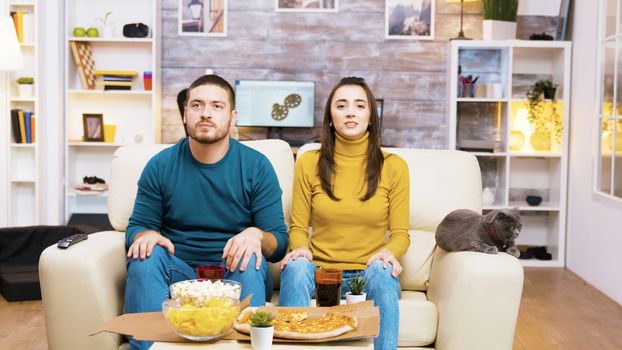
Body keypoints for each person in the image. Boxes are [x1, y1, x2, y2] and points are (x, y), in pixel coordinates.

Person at [124, 74, 288, 350]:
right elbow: (135, 229)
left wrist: (256, 236)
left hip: (233, 272)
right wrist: (146, 234)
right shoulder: (160, 165)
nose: (206, 113)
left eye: (217, 106)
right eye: (197, 105)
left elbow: (279, 244)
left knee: (252, 258)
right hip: (177, 272)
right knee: (145, 254)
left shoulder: (257, 167)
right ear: (186, 113)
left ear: (232, 116)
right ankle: (148, 346)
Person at [278, 77, 410, 350]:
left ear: (371, 116)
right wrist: (301, 249)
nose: (350, 112)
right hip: (321, 272)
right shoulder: (308, 162)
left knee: (383, 270)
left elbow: (400, 235)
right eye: (341, 105)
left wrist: (390, 253)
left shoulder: (394, 167)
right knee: (295, 266)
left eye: (360, 105)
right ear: (330, 117)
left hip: (369, 272)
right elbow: (298, 227)